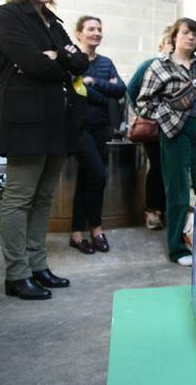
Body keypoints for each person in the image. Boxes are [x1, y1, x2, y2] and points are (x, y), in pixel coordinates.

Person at [0, 0, 89, 299]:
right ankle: (17, 275)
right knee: (19, 198)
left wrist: (55, 56)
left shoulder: (53, 22)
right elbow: (33, 63)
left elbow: (80, 61)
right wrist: (56, 58)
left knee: (44, 197)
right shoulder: (6, 16)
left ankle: (38, 266)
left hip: (57, 121)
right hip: (26, 122)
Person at [136, 17, 196, 266]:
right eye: (185, 32)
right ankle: (177, 249)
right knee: (177, 191)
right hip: (175, 131)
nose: (190, 37)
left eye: (195, 34)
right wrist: (166, 116)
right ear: (174, 37)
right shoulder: (159, 67)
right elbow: (143, 103)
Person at [69, 16, 125, 254]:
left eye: (100, 29)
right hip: (79, 127)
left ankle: (77, 233)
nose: (97, 33)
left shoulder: (106, 62)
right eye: (91, 29)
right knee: (99, 176)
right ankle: (96, 227)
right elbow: (74, 92)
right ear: (79, 33)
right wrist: (102, 90)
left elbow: (120, 89)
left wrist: (93, 82)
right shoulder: (73, 61)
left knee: (88, 179)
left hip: (100, 127)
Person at [126, 29, 171, 230]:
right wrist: (142, 112)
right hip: (154, 129)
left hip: (176, 129)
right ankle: (153, 210)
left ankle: (169, 209)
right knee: (157, 168)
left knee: (173, 170)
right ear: (162, 45)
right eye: (170, 41)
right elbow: (131, 89)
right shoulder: (149, 64)